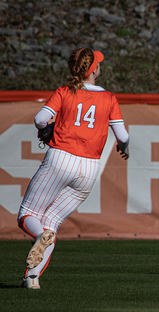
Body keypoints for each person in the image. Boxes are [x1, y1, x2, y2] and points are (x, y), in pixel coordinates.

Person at [17, 48, 130, 289]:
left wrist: (51, 125)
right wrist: (124, 147)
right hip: (89, 168)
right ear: (94, 70)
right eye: (98, 63)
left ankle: (39, 237)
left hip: (60, 158)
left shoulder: (64, 92)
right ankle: (32, 278)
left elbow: (39, 119)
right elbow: (122, 135)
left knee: (27, 215)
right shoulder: (109, 98)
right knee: (51, 223)